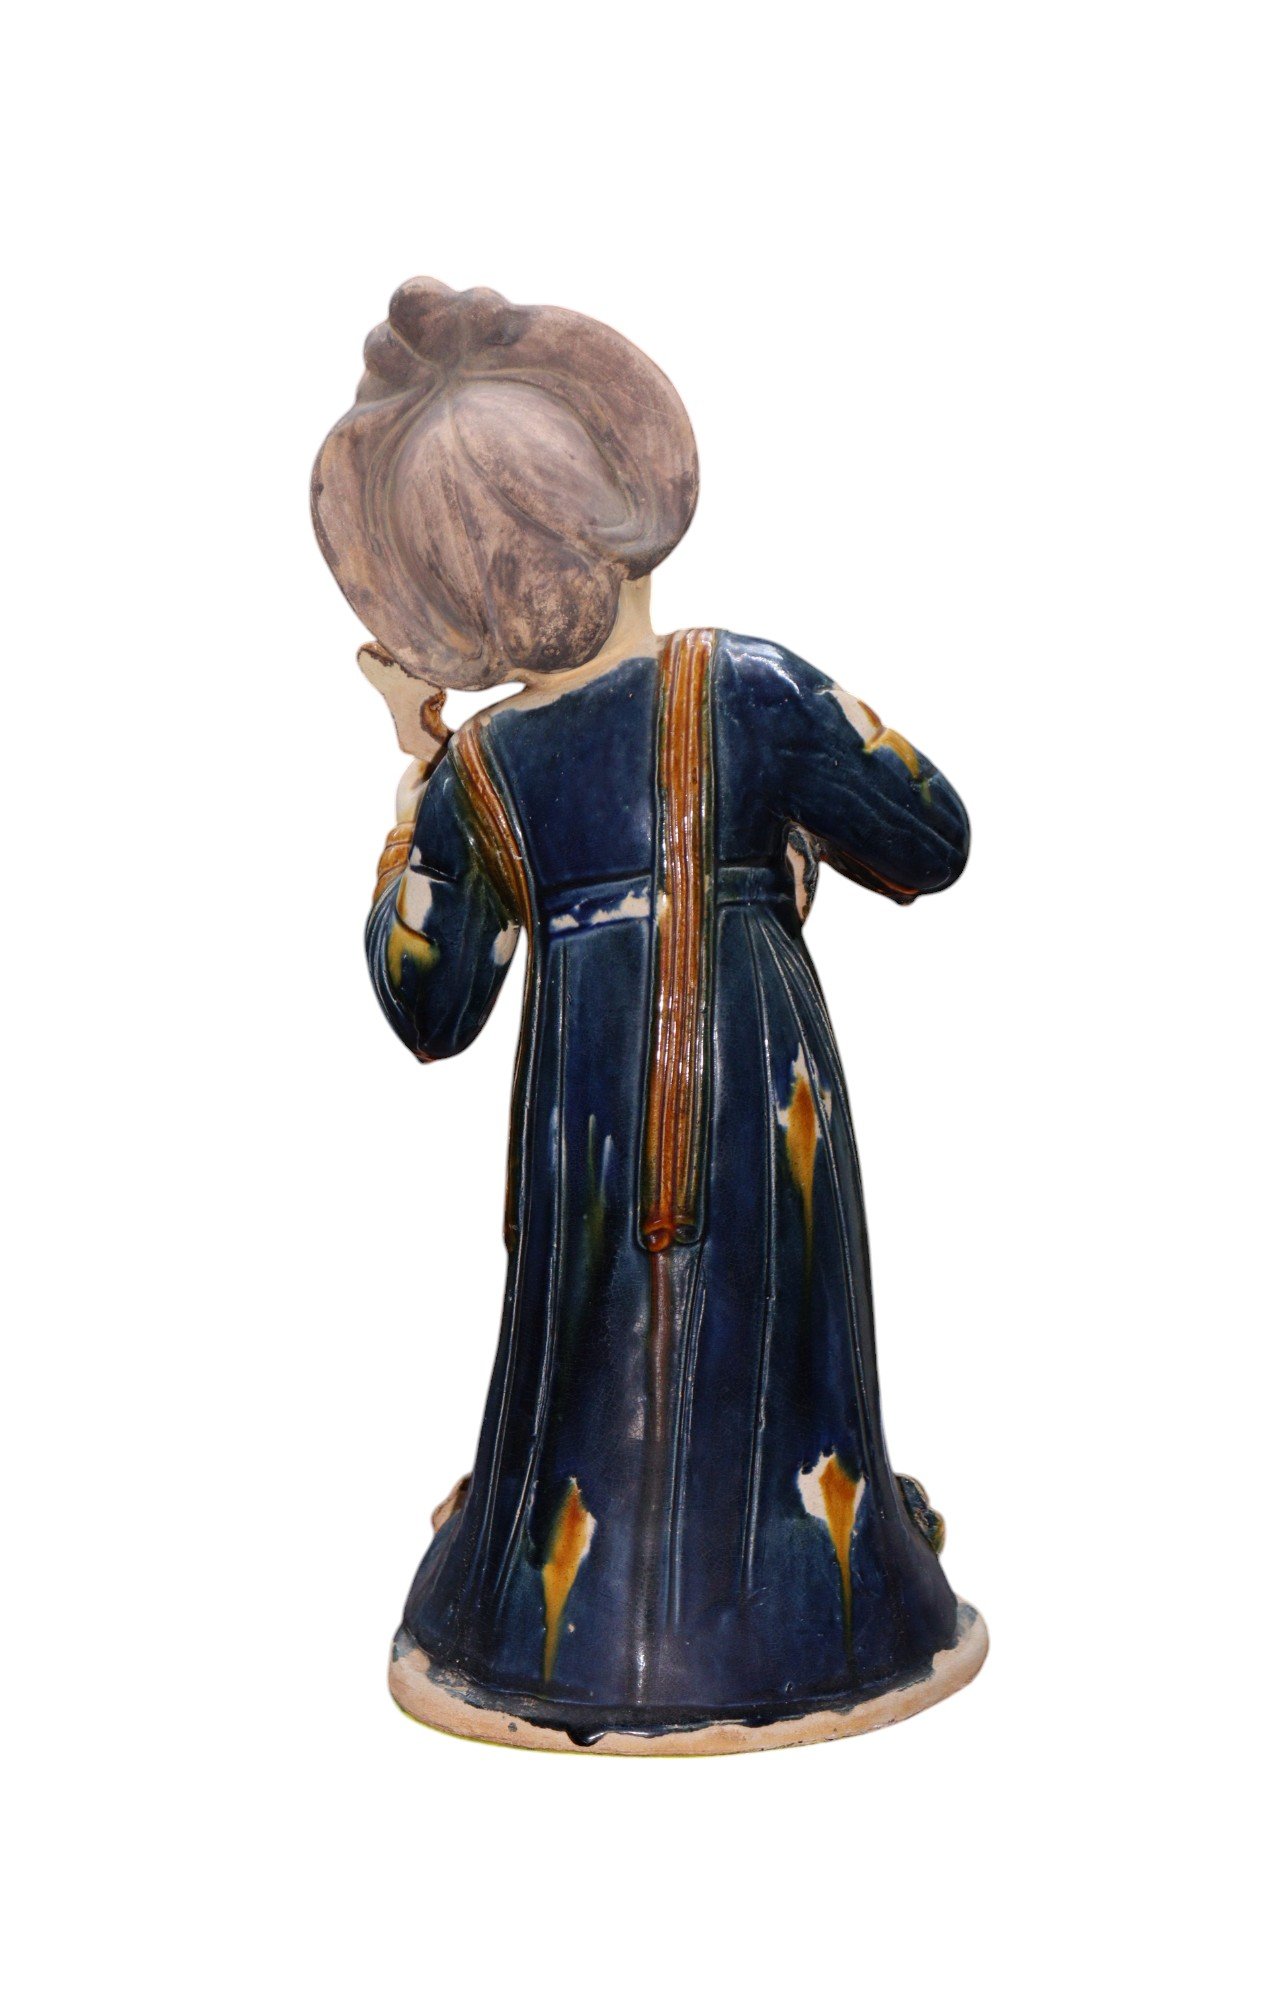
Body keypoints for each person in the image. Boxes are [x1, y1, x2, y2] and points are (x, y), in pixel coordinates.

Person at [313, 279, 983, 1749]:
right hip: (754, 1076)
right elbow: (930, 836)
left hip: (587, 1106)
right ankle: (810, 1603)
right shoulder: (747, 685)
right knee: (762, 1330)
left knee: (599, 1334)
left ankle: (559, 1618)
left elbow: (425, 1002)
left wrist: (411, 775)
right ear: (628, 490)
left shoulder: (482, 771)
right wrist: (792, 836)